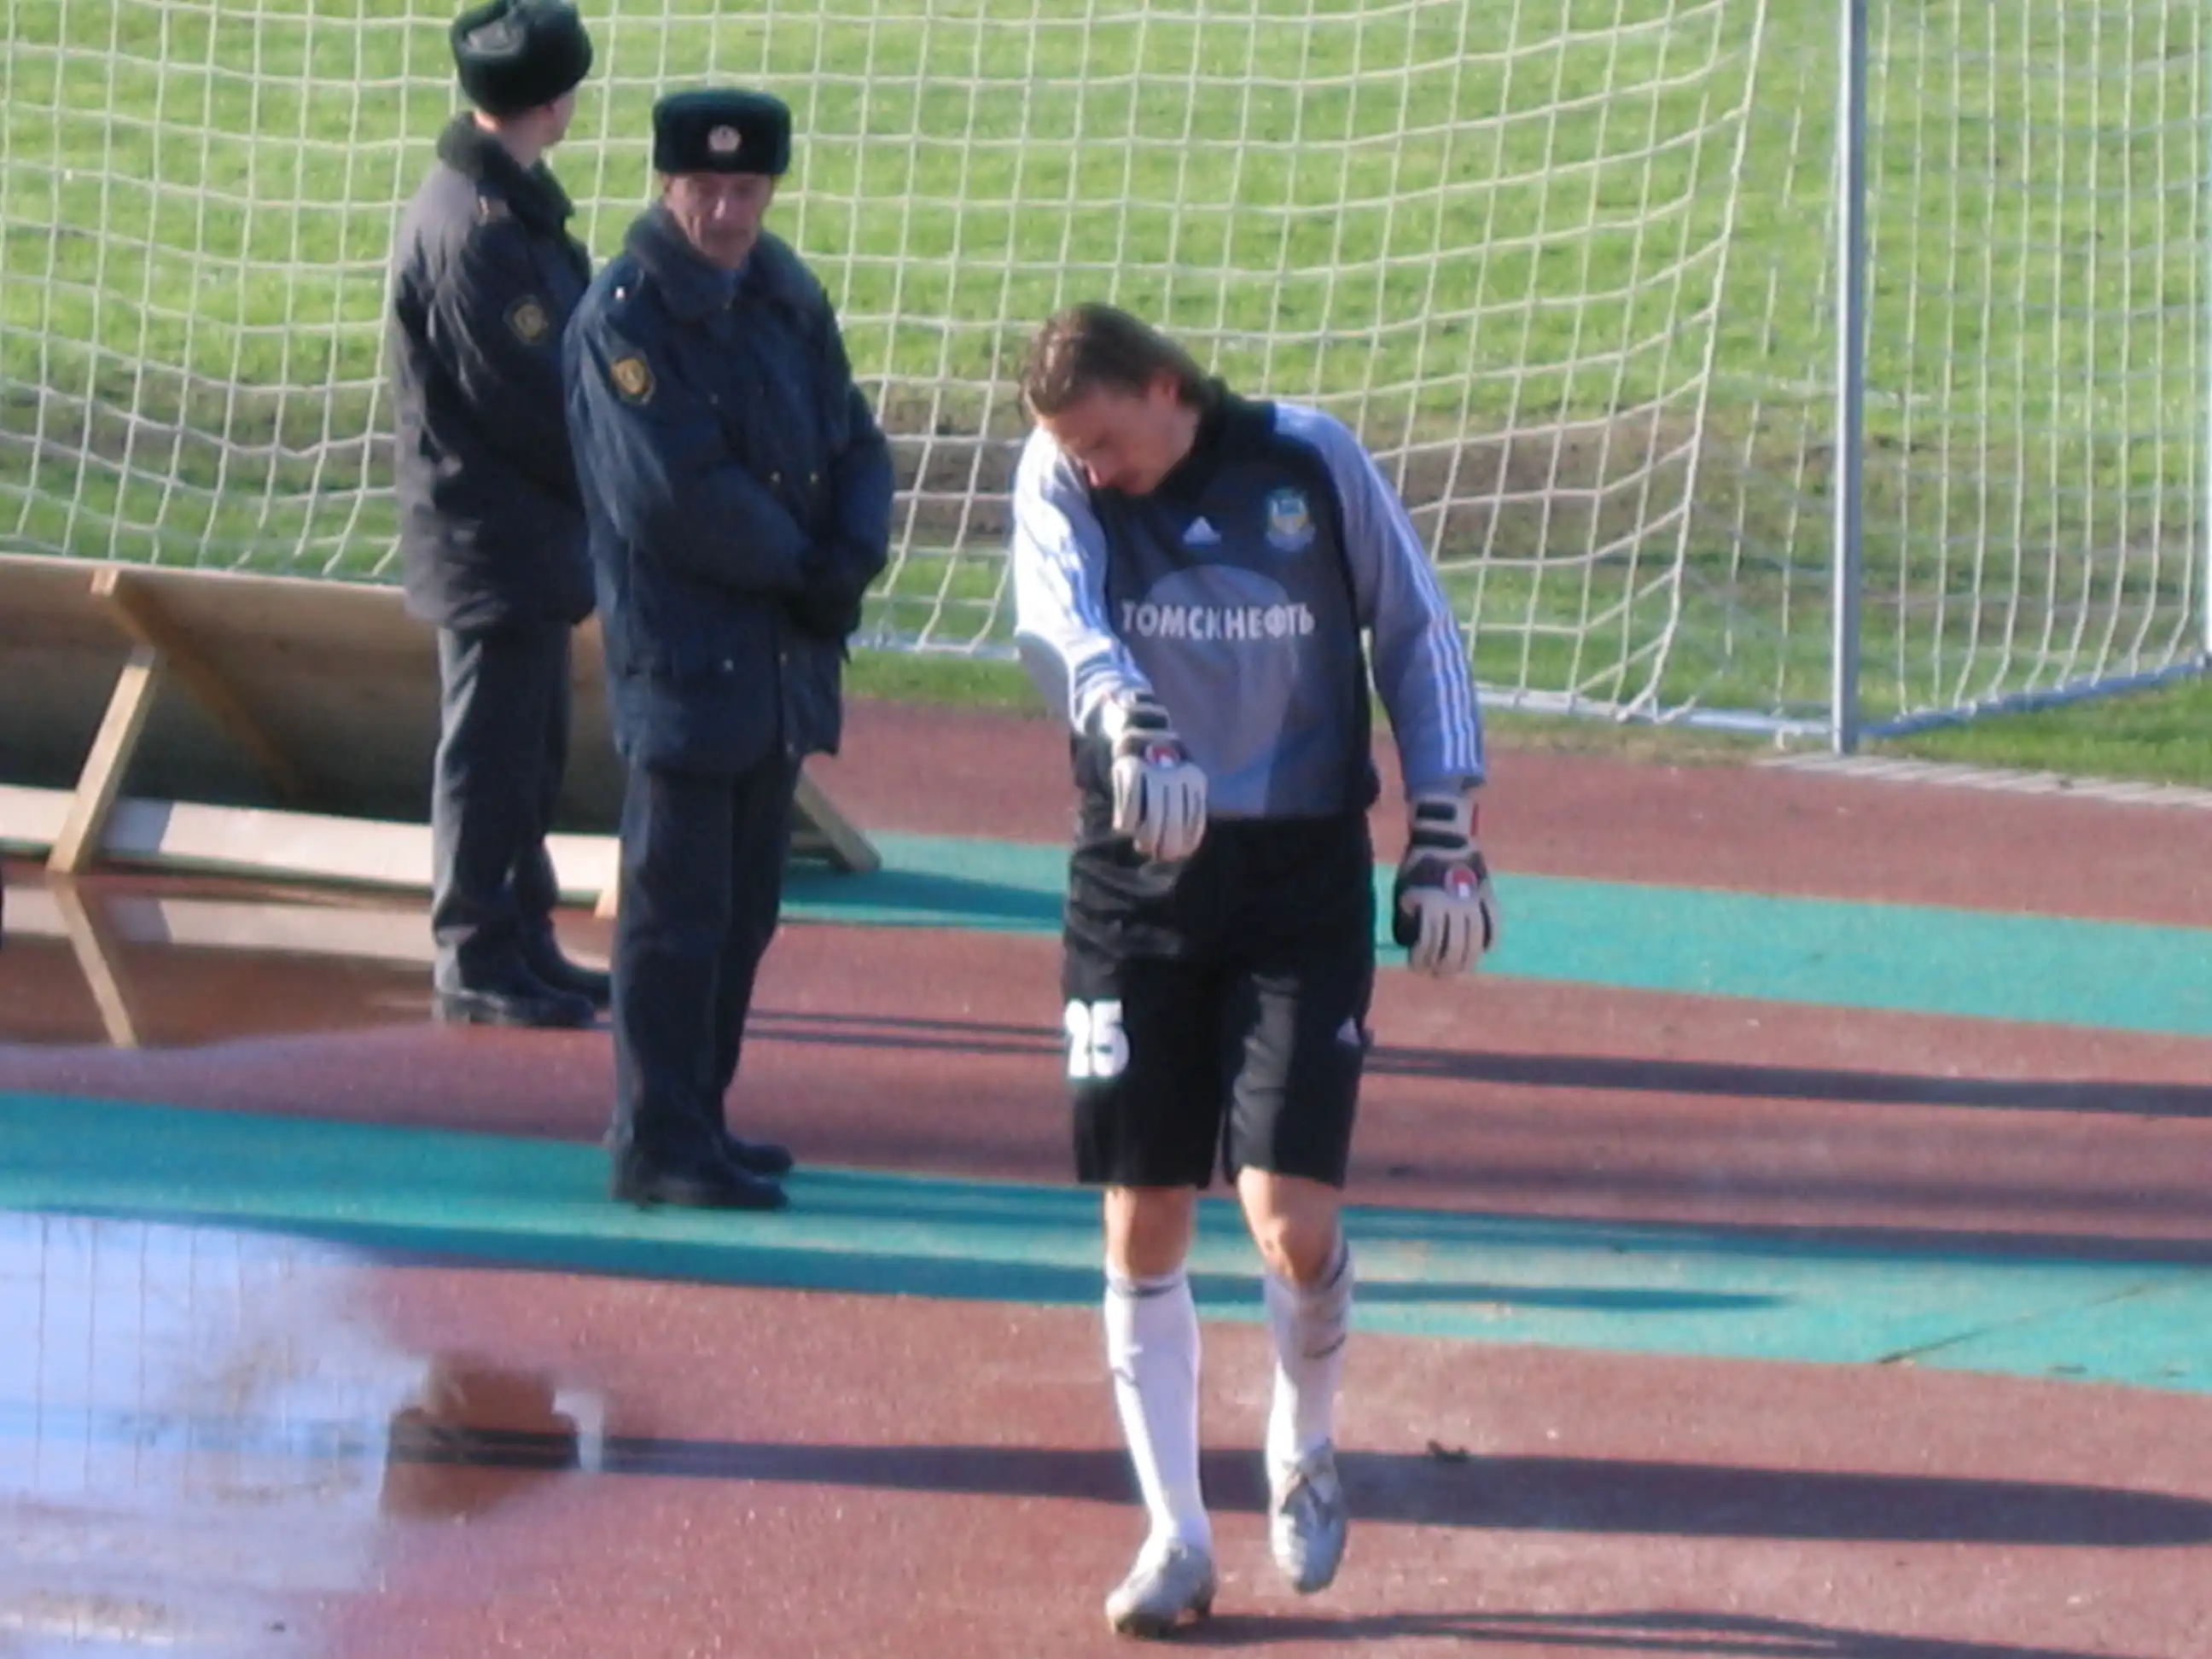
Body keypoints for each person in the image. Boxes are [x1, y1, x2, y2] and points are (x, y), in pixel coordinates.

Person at [1009, 303, 1500, 1637]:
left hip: (1297, 881)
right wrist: (1129, 721)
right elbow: (1057, 622)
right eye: (1075, 449)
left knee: (1289, 1219)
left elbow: (1417, 633)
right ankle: (1175, 1535)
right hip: (1135, 879)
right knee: (1144, 1213)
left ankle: (1304, 1438)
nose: (1094, 467)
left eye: (1108, 439)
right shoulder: (1060, 474)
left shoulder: (1310, 461)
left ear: (1166, 389)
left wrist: (1444, 827)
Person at [562, 88, 893, 1212]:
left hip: (777, 662)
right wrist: (808, 571)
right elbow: (674, 495)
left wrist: (853, 552)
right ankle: (655, 1138)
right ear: (667, 183)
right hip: (690, 661)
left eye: (745, 188)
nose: (725, 210)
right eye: (704, 187)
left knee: (746, 908)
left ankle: (701, 1117)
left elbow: (855, 440)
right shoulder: (626, 318)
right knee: (675, 914)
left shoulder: (784, 294)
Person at [387, 0, 607, 1028]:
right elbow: (527, 394)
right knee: (490, 753)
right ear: (553, 102)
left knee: (529, 750)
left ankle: (521, 934)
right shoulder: (477, 230)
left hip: (519, 536)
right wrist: (616, 474)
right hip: (490, 535)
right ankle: (474, 951)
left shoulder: (503, 205)